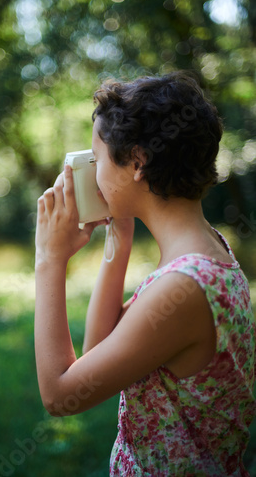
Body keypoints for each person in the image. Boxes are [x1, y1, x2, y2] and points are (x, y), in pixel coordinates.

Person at [34, 71, 256, 476]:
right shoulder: (207, 249)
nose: (94, 173)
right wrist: (119, 229)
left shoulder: (185, 286)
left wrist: (49, 261)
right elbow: (100, 346)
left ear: (137, 161)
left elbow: (60, 395)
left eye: (97, 159)